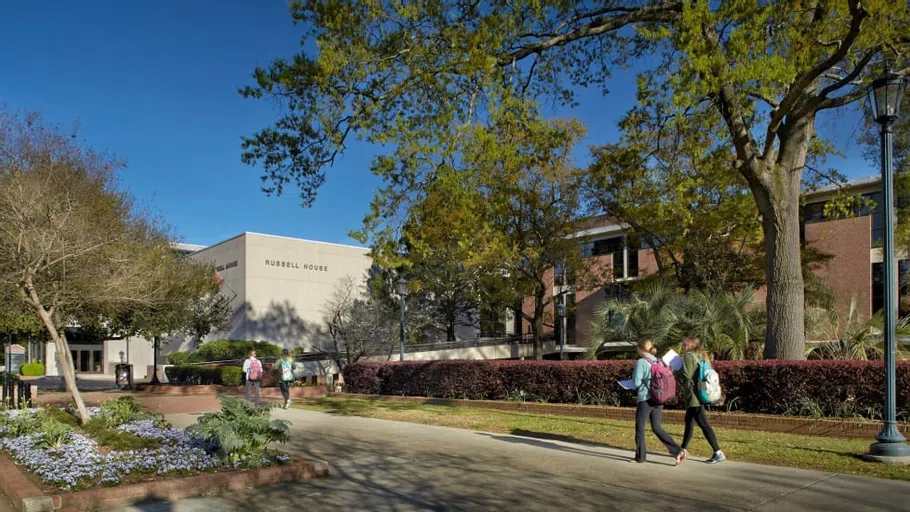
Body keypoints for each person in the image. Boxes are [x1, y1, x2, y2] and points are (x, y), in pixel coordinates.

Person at [631, 339, 684, 465]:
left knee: (640, 427)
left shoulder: (641, 362)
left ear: (639, 349)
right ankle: (677, 450)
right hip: (659, 397)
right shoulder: (658, 361)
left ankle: (640, 457)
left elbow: (637, 383)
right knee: (657, 427)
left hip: (646, 398)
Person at [677, 336, 726, 464]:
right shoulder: (702, 355)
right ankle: (683, 449)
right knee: (689, 422)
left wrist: (674, 369)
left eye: (685, 344)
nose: (683, 346)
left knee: (703, 424)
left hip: (693, 394)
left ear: (691, 345)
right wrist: (702, 394)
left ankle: (718, 451)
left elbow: (687, 375)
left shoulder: (688, 355)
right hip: (699, 390)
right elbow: (702, 375)